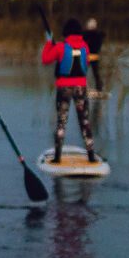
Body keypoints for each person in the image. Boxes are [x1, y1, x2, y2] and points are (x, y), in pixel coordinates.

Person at [39, 18, 98, 163]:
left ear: (66, 32)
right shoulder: (85, 46)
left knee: (61, 122)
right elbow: (86, 64)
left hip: (64, 88)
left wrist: (48, 43)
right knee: (84, 121)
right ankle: (91, 155)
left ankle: (57, 157)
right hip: (81, 88)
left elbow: (45, 59)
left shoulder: (60, 47)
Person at [84, 16, 108, 94]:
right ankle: (99, 88)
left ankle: (83, 87)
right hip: (94, 56)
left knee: (84, 72)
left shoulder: (86, 34)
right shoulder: (98, 35)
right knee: (96, 73)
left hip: (88, 56)